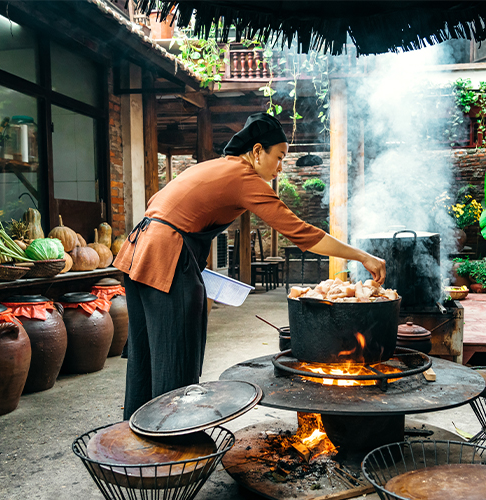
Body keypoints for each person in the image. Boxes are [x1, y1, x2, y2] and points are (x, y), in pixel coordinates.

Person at [114, 113, 386, 419]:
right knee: (176, 356)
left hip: (138, 251)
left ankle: (134, 444)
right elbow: (302, 234)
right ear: (257, 151)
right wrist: (362, 256)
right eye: (279, 157)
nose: (281, 166)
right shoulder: (243, 177)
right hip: (166, 256)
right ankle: (171, 443)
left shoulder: (218, 167)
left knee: (145, 356)